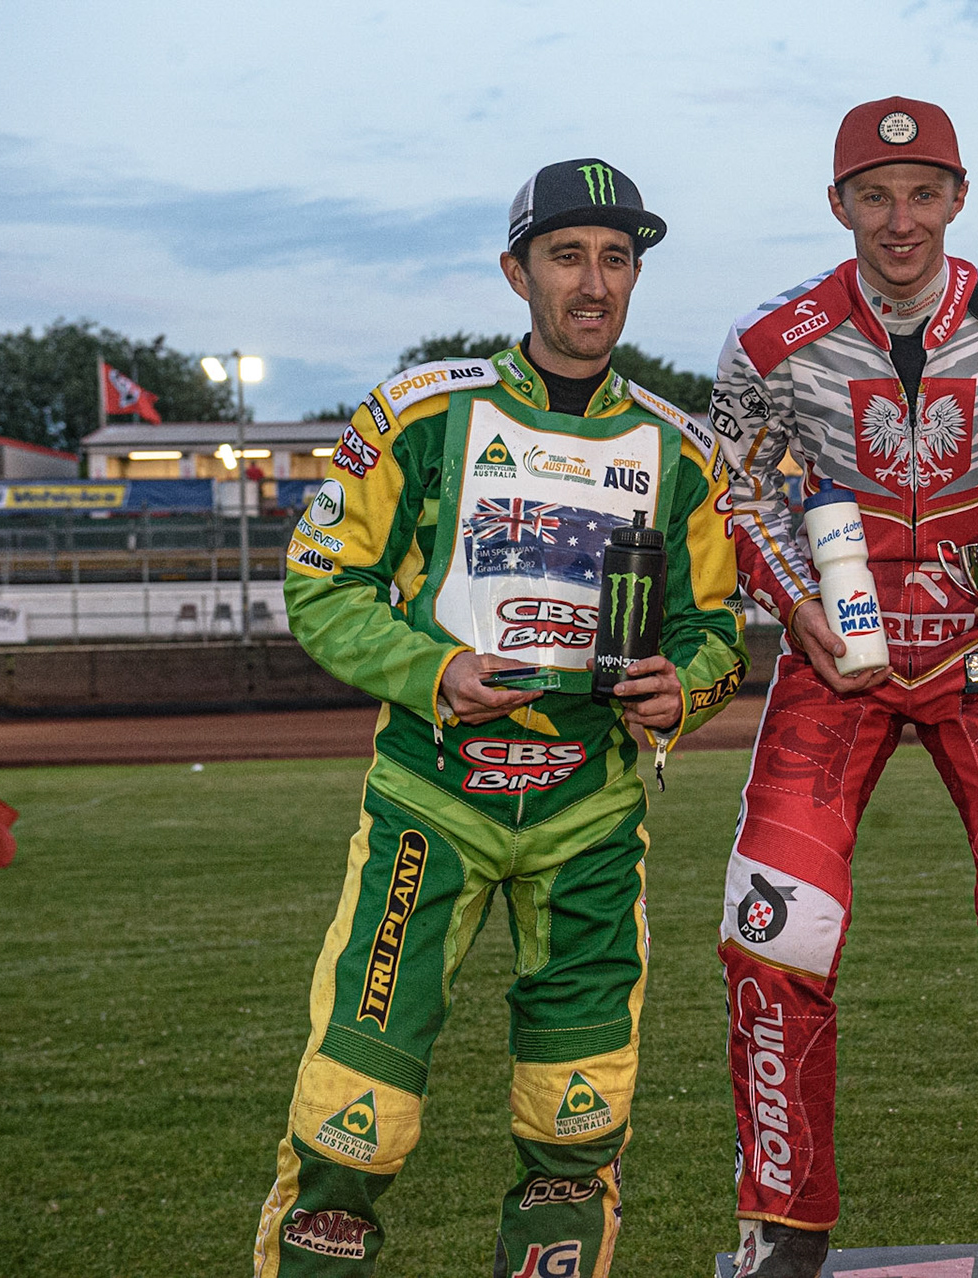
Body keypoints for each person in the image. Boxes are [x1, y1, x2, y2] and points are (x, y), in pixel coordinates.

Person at [252, 158, 747, 1278]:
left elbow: (717, 629)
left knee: (576, 1126)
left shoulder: (683, 452)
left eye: (617, 260)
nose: (594, 283)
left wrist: (689, 691)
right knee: (352, 1114)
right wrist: (434, 673)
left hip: (589, 818)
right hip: (430, 805)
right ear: (516, 270)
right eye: (568, 256)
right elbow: (321, 584)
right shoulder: (422, 412)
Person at [711, 98, 978, 1278]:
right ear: (837, 203)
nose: (900, 218)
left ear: (960, 196)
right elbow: (740, 496)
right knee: (774, 930)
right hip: (836, 661)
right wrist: (796, 606)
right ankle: (780, 1224)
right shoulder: (768, 342)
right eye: (875, 196)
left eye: (922, 192)